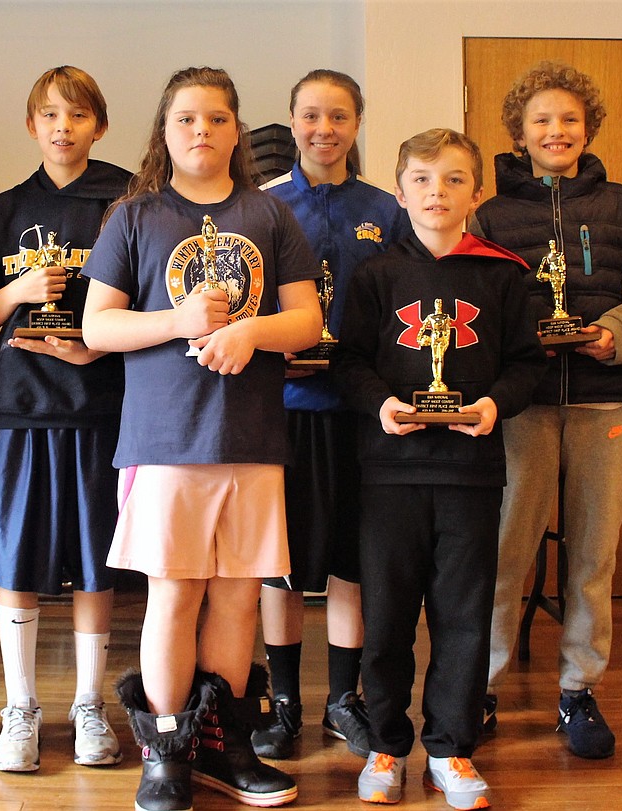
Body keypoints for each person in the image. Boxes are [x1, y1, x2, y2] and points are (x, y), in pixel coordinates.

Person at [82, 66, 321, 811]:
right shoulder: (133, 216)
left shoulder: (270, 215)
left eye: (217, 119)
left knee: (239, 599)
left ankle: (224, 745)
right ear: (165, 130)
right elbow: (97, 326)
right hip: (166, 439)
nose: (202, 132)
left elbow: (308, 321)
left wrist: (250, 331)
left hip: (251, 437)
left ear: (237, 131)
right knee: (175, 594)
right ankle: (166, 751)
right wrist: (180, 321)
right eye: (187, 119)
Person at [471, 61, 622, 760]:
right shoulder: (491, 214)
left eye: (568, 119)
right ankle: (481, 685)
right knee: (503, 553)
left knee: (593, 557)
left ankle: (578, 689)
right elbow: (474, 304)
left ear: (588, 128)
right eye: (541, 120)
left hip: (603, 403)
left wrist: (611, 334)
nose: (555, 130)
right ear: (519, 134)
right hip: (522, 409)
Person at [332, 128, 545, 809]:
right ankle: (388, 745)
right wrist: (382, 404)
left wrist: (492, 404)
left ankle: (451, 748)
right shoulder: (375, 275)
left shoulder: (504, 274)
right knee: (388, 615)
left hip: (471, 472)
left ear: (476, 192)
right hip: (389, 471)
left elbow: (528, 364)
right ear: (399, 193)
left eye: (454, 179)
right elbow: (349, 362)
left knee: (462, 614)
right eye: (422, 179)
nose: (437, 192)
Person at [0, 65, 131, 773]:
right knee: (20, 558)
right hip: (23, 406)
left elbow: (149, 296)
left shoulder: (126, 200)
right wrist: (18, 289)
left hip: (100, 407)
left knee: (96, 563)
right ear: (31, 125)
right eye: (50, 114)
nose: (63, 126)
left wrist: (96, 345)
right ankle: (21, 706)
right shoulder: (4, 206)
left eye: (78, 114)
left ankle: (89, 704)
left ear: (98, 125)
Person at [252, 69, 410, 761]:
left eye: (339, 116)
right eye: (311, 115)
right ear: (291, 121)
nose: (324, 129)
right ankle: (285, 701)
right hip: (278, 409)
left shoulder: (387, 208)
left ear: (357, 123)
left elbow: (407, 306)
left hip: (358, 412)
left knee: (353, 561)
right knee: (279, 563)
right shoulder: (258, 206)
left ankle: (343, 698)